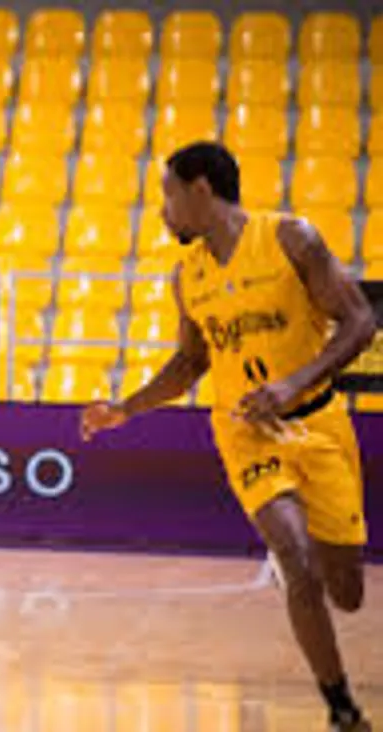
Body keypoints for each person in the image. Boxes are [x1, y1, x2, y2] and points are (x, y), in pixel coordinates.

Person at [81, 142, 375, 732]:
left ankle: (319, 560)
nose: (162, 212)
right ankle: (341, 708)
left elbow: (362, 322)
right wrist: (125, 408)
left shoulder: (293, 239)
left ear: (200, 190)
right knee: (294, 557)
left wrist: (294, 382)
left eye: (167, 195)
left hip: (318, 424)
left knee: (348, 591)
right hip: (246, 433)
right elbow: (190, 363)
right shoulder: (187, 276)